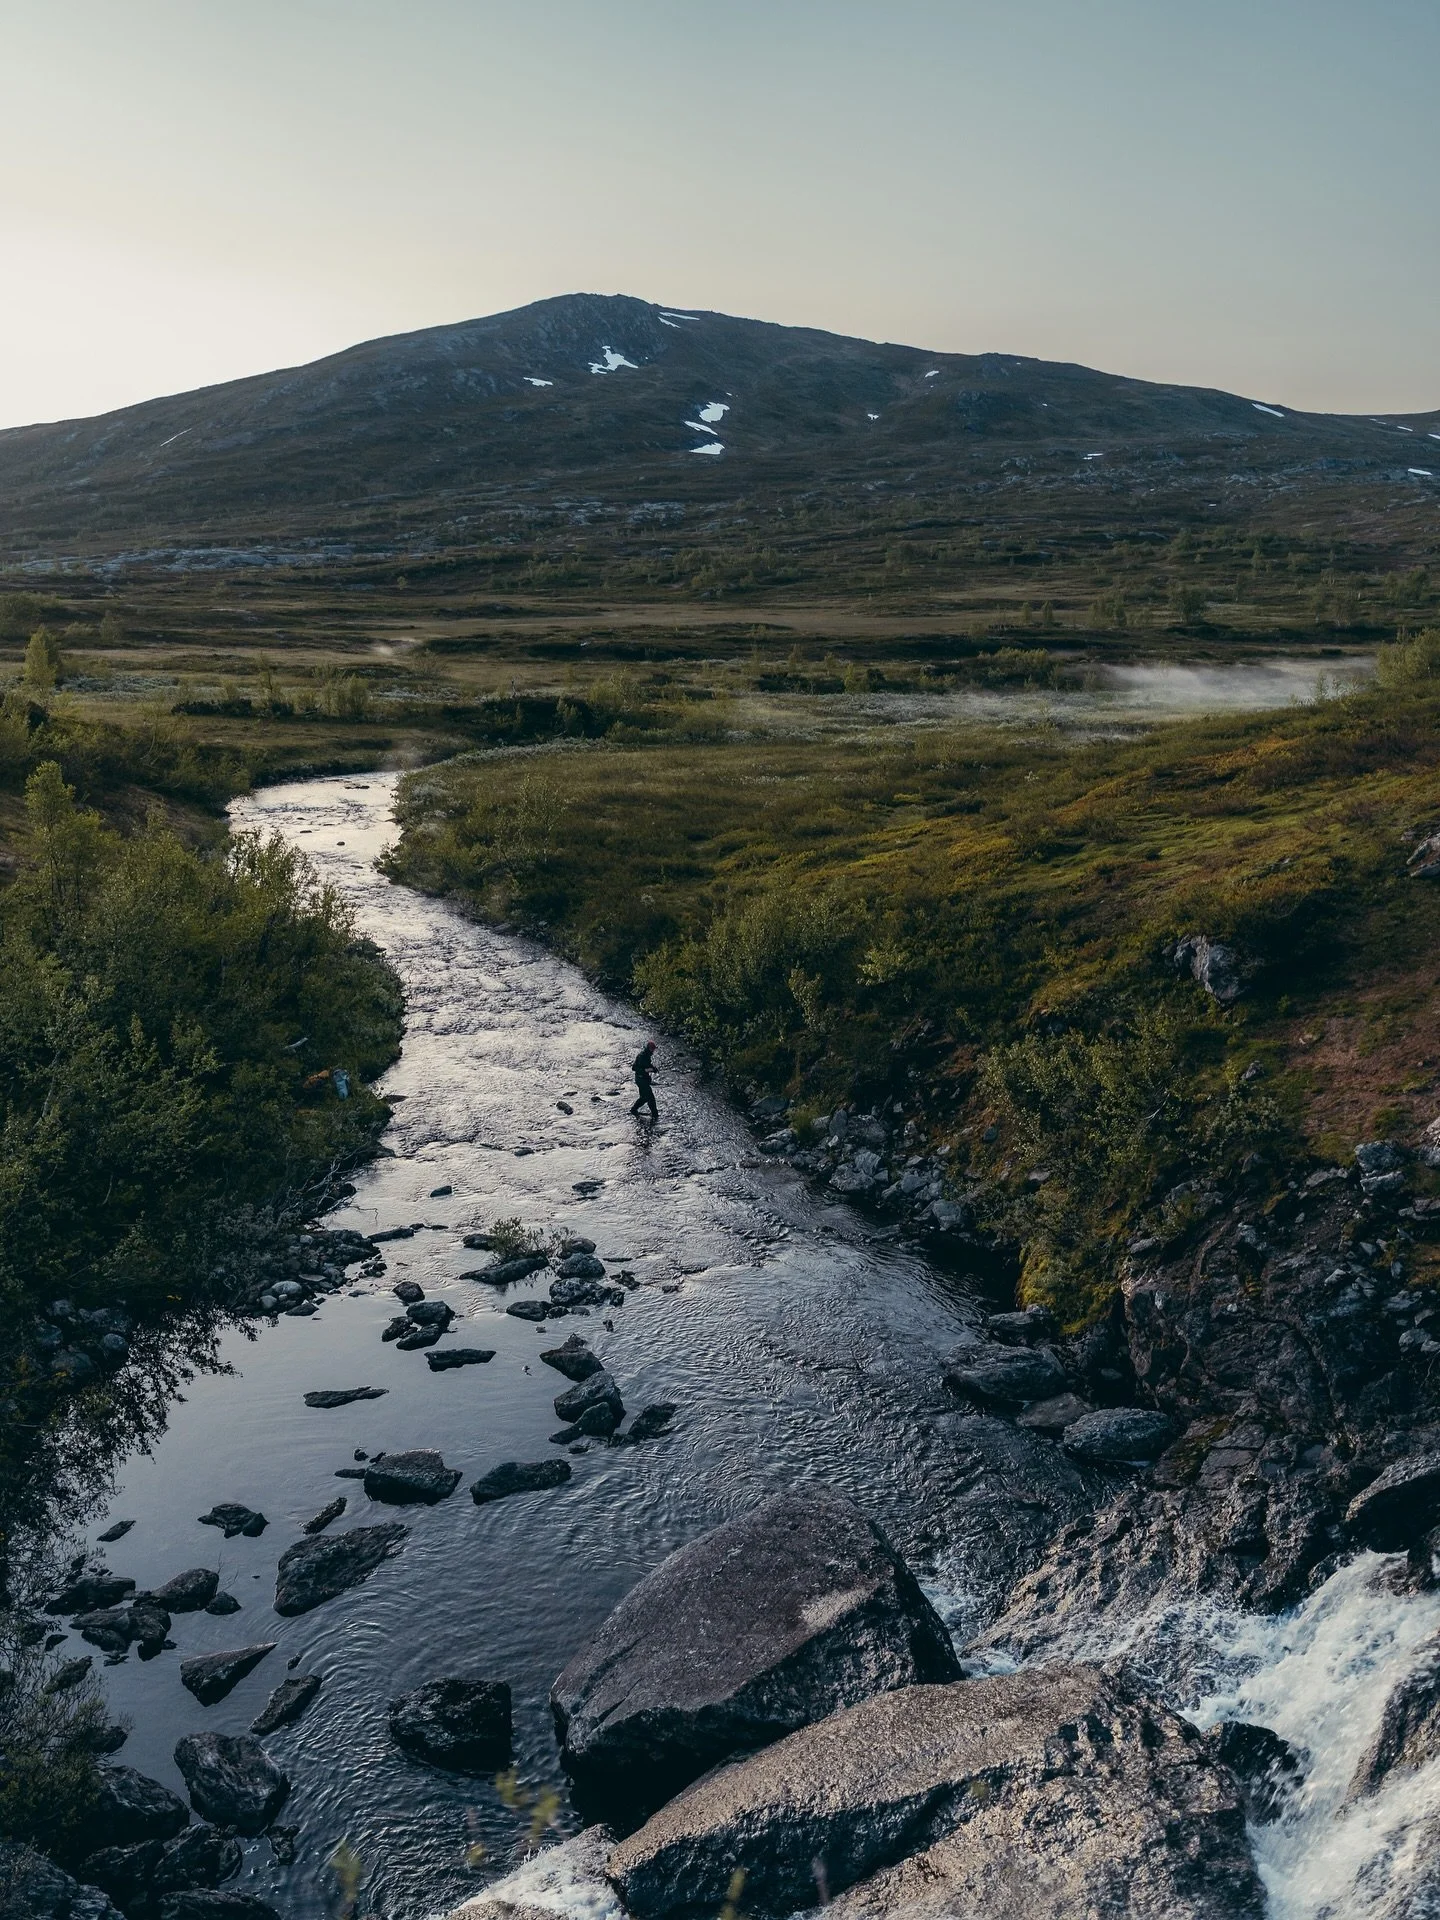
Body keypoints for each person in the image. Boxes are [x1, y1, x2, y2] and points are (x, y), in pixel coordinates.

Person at [630, 1040, 658, 1119]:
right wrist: (647, 1070)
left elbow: (647, 1065)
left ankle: (633, 1110)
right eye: (652, 1049)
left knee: (644, 1097)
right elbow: (634, 1068)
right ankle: (655, 1115)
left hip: (643, 1079)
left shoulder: (647, 1055)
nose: (653, 1051)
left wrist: (653, 1068)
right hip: (641, 1080)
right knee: (651, 1098)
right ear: (648, 1048)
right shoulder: (642, 1056)